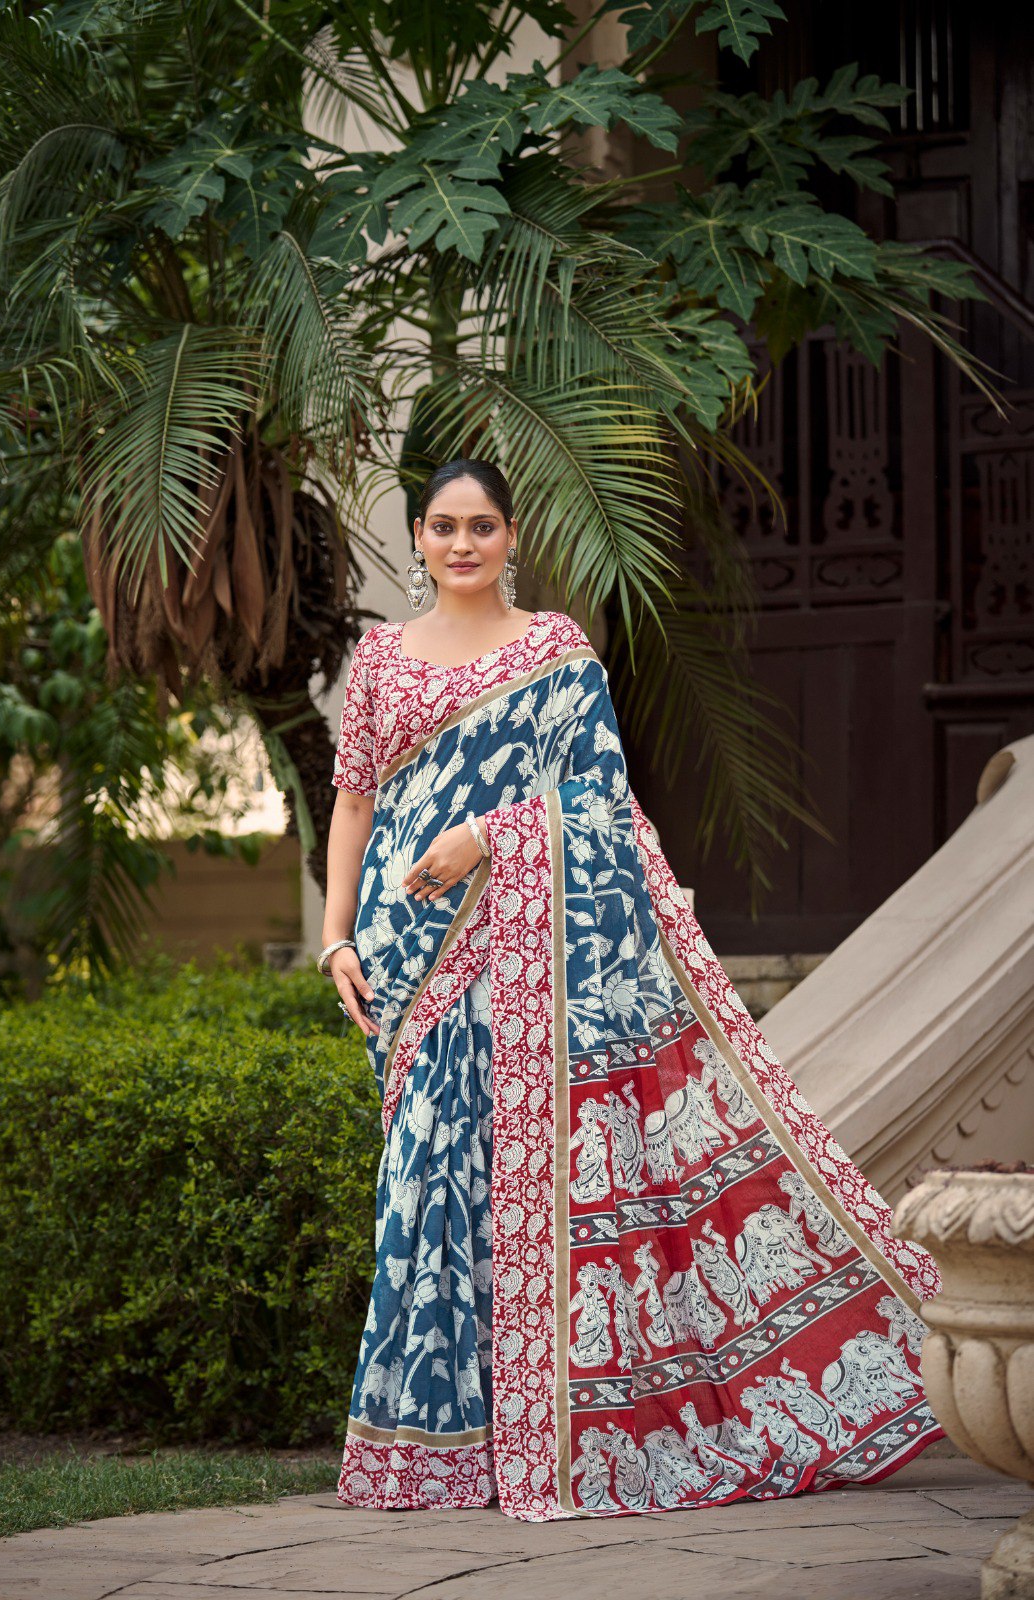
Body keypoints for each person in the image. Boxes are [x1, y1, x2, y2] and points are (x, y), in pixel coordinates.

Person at [321, 457, 944, 1524]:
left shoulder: (557, 654)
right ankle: (435, 1445)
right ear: (418, 538)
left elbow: (603, 806)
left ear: (513, 536)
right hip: (402, 949)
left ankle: (526, 1434)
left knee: (514, 1176)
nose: (462, 544)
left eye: (481, 525)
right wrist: (336, 936)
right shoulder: (379, 658)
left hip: (520, 945)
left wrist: (490, 837)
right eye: (442, 526)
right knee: (427, 1175)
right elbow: (353, 802)